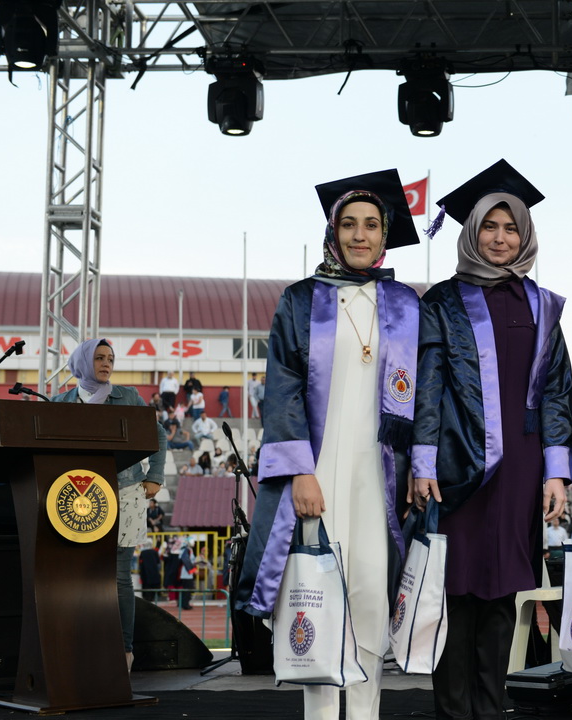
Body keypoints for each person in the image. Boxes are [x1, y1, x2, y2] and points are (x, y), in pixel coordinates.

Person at [236, 169, 422, 720]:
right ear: (333, 232)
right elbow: (283, 387)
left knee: (369, 598)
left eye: (371, 225)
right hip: (318, 473)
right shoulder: (301, 300)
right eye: (349, 224)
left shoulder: (405, 304)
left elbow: (423, 395)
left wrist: (418, 467)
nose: (360, 235)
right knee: (315, 600)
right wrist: (299, 470)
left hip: (379, 475)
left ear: (385, 234)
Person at [412, 159, 572, 720]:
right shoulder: (442, 301)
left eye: (510, 228)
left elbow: (556, 390)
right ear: (471, 232)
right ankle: (453, 711)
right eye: (489, 226)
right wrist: (423, 462)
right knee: (455, 592)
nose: (500, 238)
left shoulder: (543, 305)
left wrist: (557, 471)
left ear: (524, 235)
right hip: (458, 465)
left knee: (503, 593)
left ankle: (490, 708)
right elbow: (427, 386)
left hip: (521, 468)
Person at [50, 338, 167, 671]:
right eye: (99, 358)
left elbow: (158, 434)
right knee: (79, 573)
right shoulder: (60, 403)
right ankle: (81, 647)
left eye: (110, 359)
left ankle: (124, 652)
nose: (106, 364)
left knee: (119, 576)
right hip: (78, 496)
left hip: (125, 491)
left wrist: (155, 475)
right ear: (83, 362)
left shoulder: (127, 397)